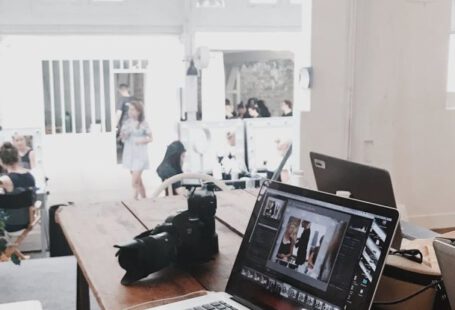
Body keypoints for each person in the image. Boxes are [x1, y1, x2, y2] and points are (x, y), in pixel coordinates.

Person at [0, 142, 36, 232]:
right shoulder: (30, 175)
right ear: (18, 157)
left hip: (10, 224)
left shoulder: (5, 180)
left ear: (1, 161)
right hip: (26, 220)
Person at [120, 101, 152, 200]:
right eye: (130, 109)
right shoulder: (127, 123)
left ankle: (134, 199)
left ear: (139, 111)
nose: (130, 112)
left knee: (134, 181)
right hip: (130, 154)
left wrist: (141, 141)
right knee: (138, 181)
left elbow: (151, 138)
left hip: (140, 154)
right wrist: (124, 134)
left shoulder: (143, 123)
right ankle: (145, 199)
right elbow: (122, 138)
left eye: (133, 109)